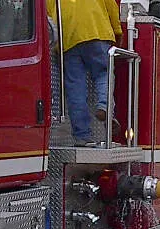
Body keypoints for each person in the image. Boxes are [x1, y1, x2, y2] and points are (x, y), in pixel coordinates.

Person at [47, 0, 123, 147]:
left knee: (75, 88)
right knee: (103, 73)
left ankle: (82, 136)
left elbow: (49, 15)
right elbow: (112, 8)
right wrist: (118, 32)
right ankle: (104, 107)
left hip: (67, 39)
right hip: (96, 31)